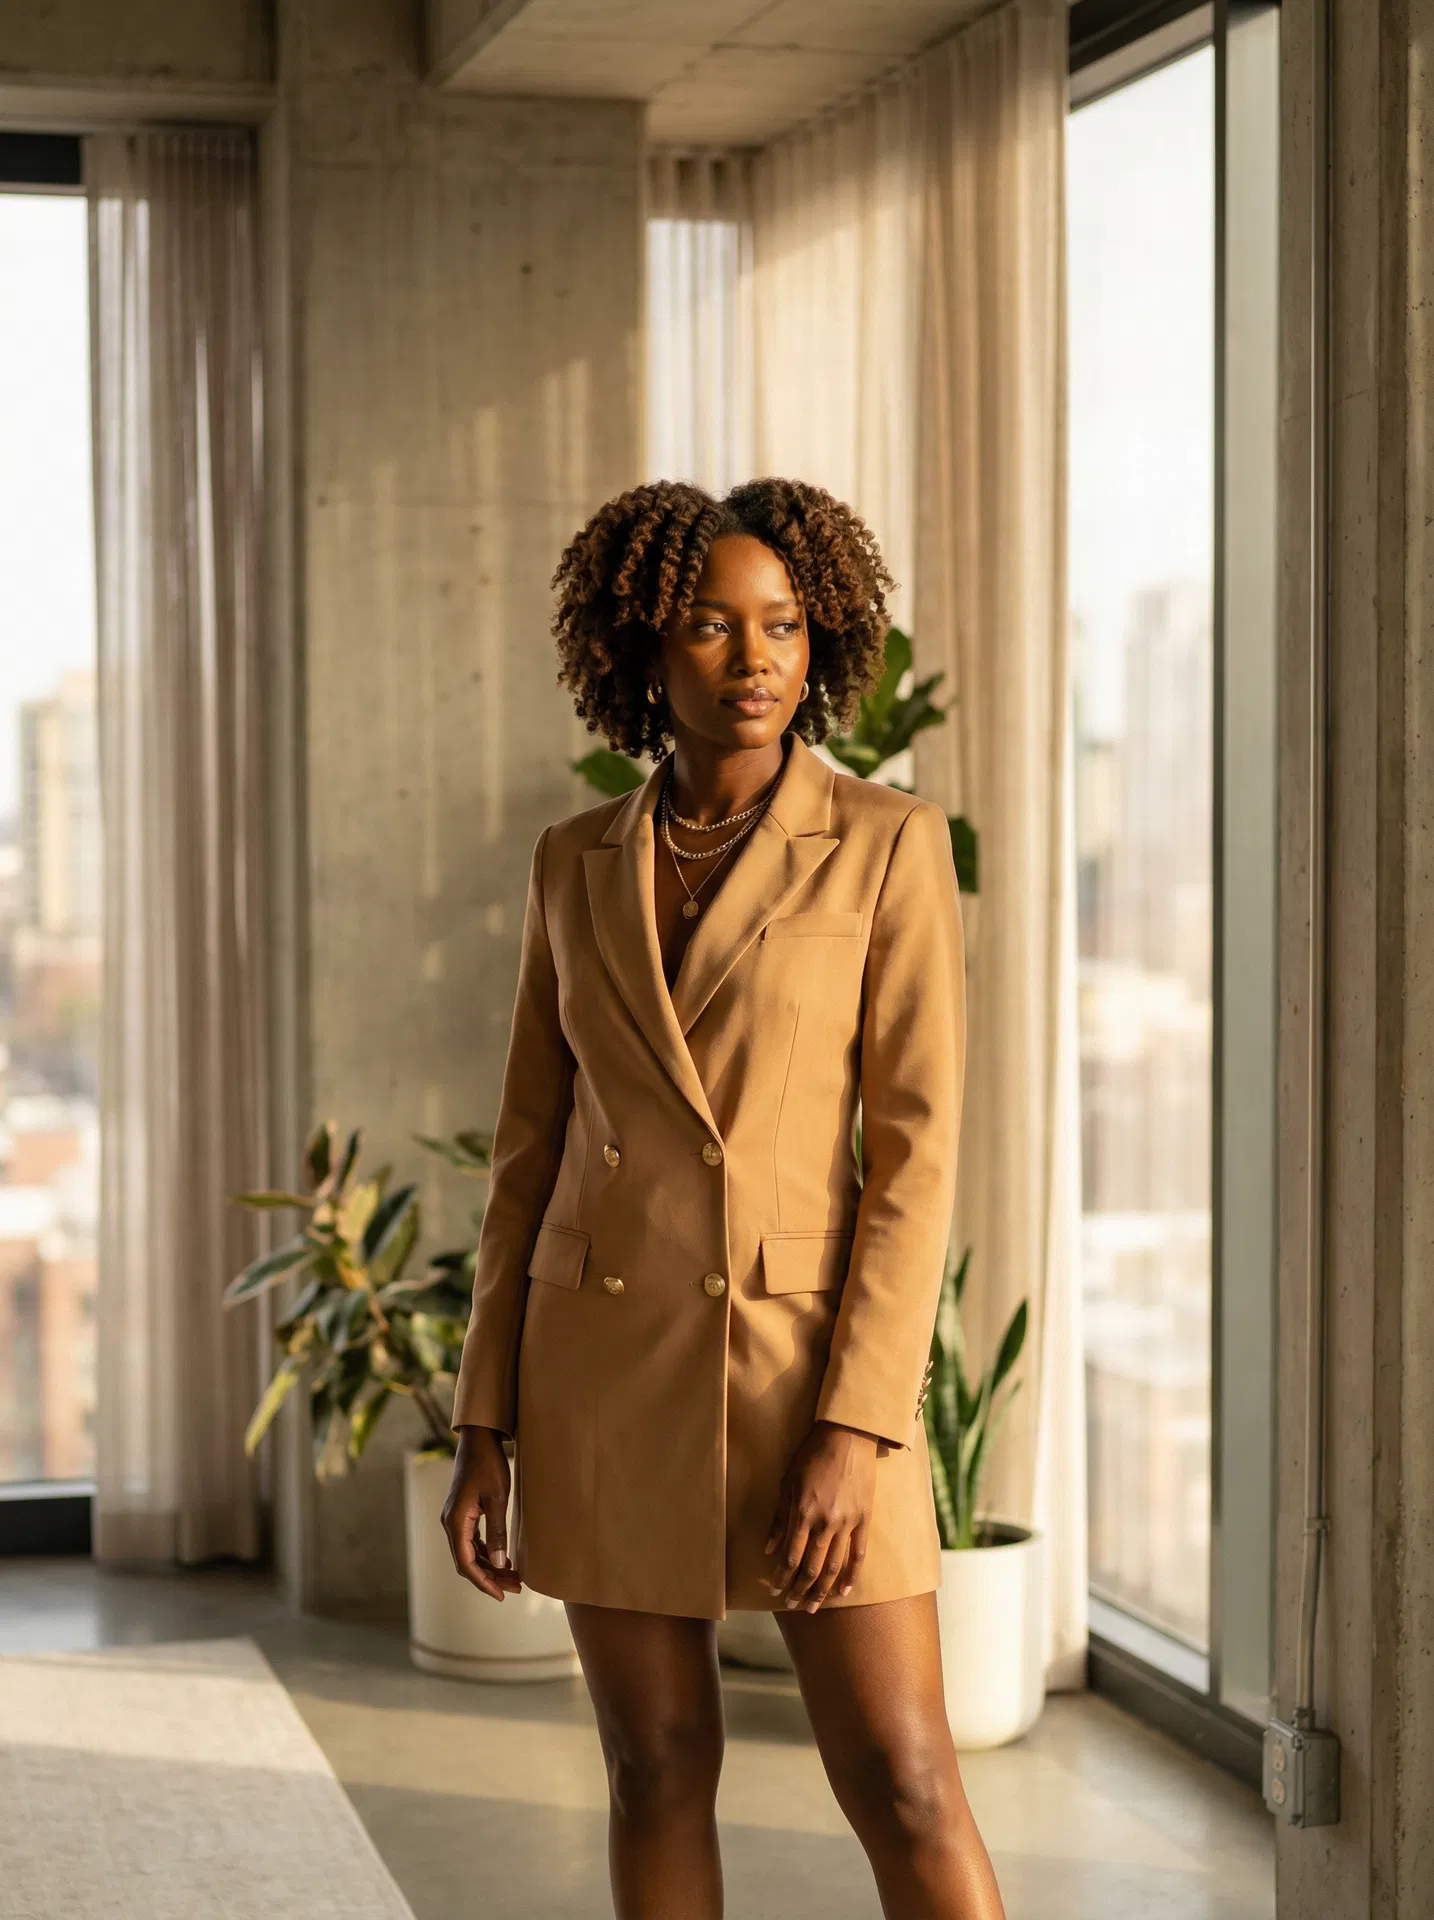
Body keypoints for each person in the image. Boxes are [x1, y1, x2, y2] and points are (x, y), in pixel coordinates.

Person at [442, 477, 1004, 1920]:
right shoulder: (573, 861)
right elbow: (528, 1150)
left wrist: (860, 1424)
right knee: (652, 1764)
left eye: (782, 625)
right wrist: (485, 1421)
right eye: (709, 625)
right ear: (641, 648)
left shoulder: (889, 843)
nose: (753, 659)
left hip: (809, 1377)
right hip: (604, 1374)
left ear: (819, 643)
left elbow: (915, 1159)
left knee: (904, 1778)